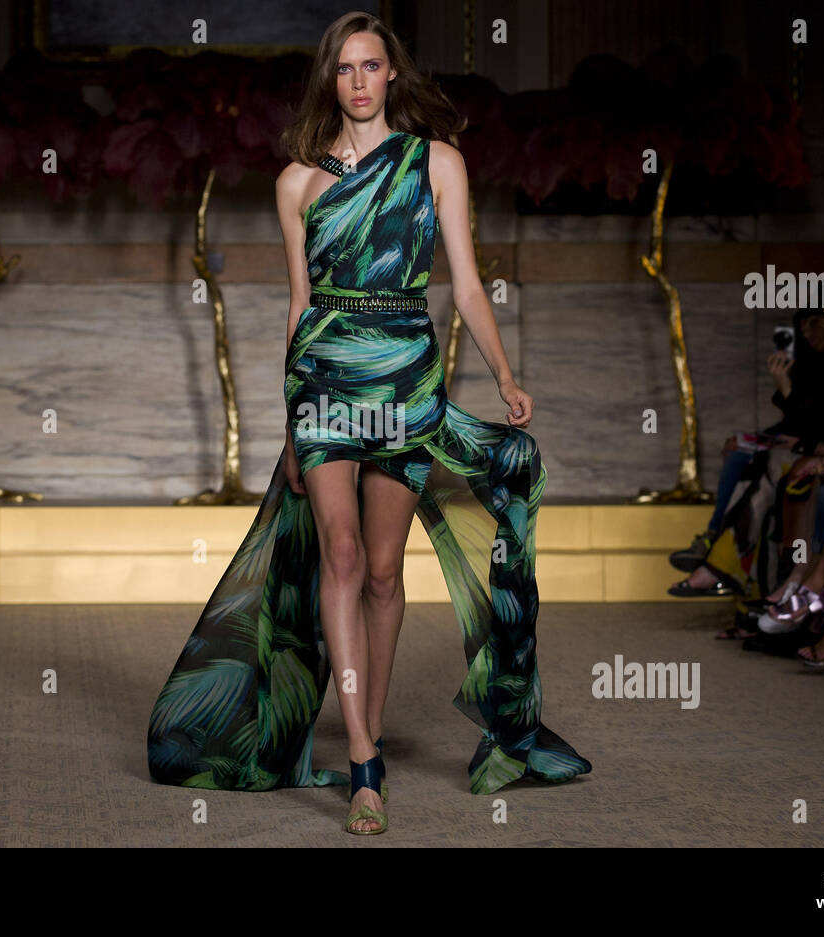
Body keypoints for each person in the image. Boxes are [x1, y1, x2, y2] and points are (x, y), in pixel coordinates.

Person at [146, 12, 590, 835]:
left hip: (405, 376)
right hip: (323, 382)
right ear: (331, 80)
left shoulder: (437, 165)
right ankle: (361, 761)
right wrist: (289, 423)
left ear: (392, 76)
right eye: (344, 68)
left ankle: (369, 725)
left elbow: (464, 285)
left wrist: (504, 373)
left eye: (371, 66)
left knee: (385, 570)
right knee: (340, 556)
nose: (357, 81)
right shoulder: (296, 185)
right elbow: (299, 304)